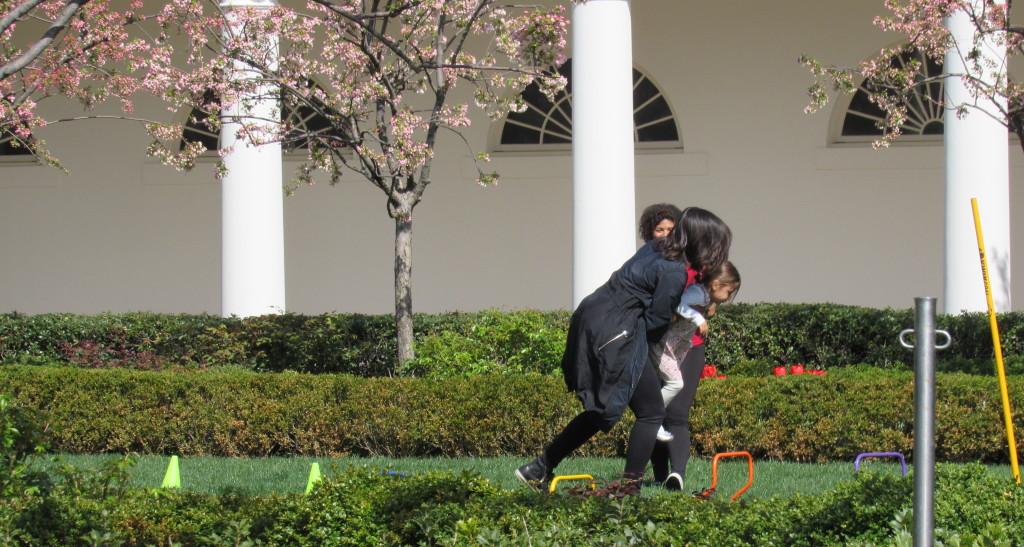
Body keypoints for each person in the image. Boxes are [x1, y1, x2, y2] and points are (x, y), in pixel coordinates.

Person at [515, 207, 731, 489]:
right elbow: (656, 322)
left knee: (604, 409)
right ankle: (629, 490)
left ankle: (539, 467)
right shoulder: (674, 270)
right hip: (618, 331)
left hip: (595, 319)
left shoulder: (657, 248)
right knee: (652, 412)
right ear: (703, 241)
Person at [652, 261, 741, 444]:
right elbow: (679, 303)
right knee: (675, 383)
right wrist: (697, 317)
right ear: (716, 285)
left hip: (674, 347)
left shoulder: (706, 297)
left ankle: (653, 419)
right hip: (664, 347)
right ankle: (652, 418)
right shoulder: (698, 293)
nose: (729, 296)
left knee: (673, 384)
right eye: (729, 292)